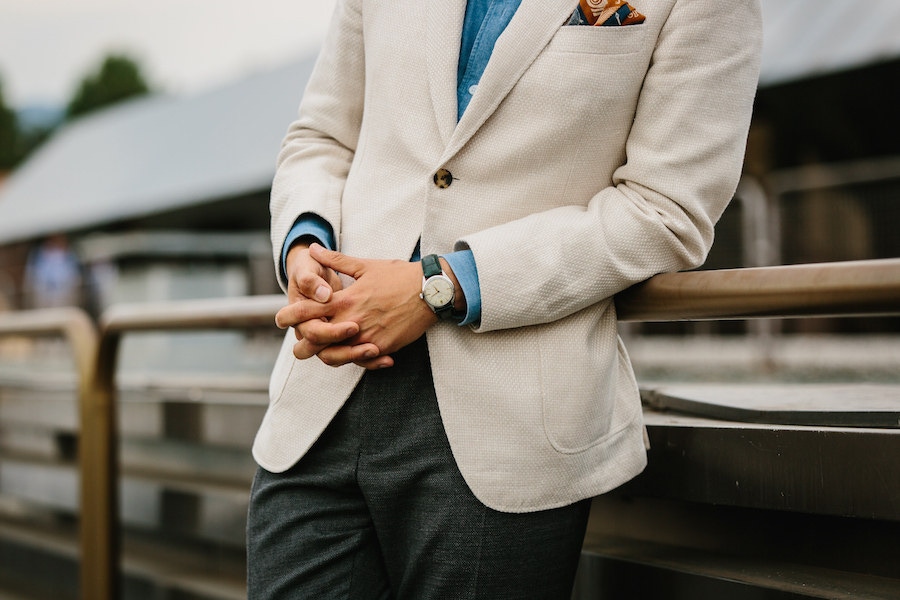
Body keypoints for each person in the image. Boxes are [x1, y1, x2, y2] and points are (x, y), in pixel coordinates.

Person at [247, 0, 762, 598]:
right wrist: (305, 242)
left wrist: (440, 285)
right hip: (318, 409)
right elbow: (322, 136)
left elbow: (665, 209)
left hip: (510, 429)